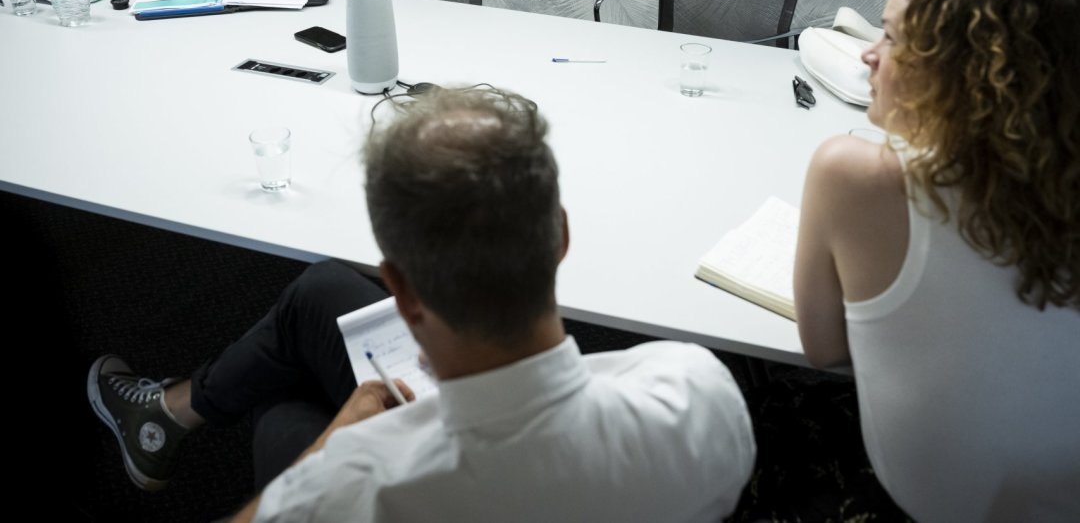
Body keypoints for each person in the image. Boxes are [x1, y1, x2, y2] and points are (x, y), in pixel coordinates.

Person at [88, 86, 756, 522]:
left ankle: (167, 418)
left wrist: (326, 449)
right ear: (560, 236)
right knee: (320, 292)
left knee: (282, 409)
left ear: (399, 288)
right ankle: (173, 416)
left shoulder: (344, 489)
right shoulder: (699, 392)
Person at [793, 0, 1080, 522]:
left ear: (966, 73)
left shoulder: (849, 174)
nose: (869, 55)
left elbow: (822, 349)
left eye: (893, 38)